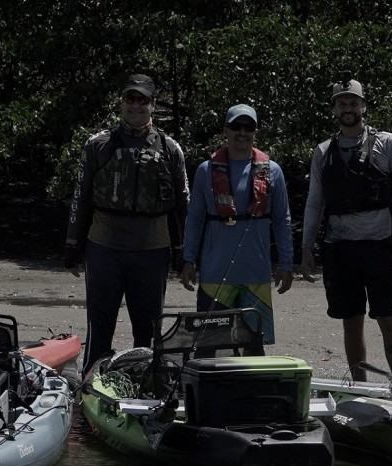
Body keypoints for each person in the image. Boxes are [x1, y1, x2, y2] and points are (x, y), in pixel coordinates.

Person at [64, 74, 189, 366]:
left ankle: (144, 382)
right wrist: (72, 245)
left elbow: (184, 204)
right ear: (121, 102)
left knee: (147, 329)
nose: (135, 105)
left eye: (142, 100)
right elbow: (80, 196)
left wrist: (188, 254)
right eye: (129, 99)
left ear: (153, 105)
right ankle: (91, 382)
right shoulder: (97, 145)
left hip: (152, 250)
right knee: (100, 323)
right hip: (104, 248)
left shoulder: (170, 149)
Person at [298, 80, 392, 381]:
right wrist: (306, 247)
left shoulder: (387, 143)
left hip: (379, 246)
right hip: (340, 248)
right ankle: (359, 386)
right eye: (342, 103)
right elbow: (315, 203)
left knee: (387, 317)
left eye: (353, 102)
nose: (348, 108)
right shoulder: (324, 151)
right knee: (351, 320)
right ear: (334, 109)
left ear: (364, 106)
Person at [180, 104, 294, 345]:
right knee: (209, 347)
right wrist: (188, 259)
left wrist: (286, 263)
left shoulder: (273, 171)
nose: (242, 132)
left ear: (255, 132)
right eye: (236, 126)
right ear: (226, 130)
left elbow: (283, 221)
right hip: (214, 274)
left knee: (254, 347)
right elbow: (194, 219)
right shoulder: (206, 171)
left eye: (248, 127)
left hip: (256, 274)